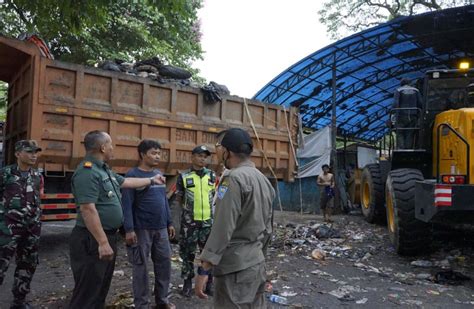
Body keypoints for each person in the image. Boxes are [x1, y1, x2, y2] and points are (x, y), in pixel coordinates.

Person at [68, 131, 166, 309]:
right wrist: (102, 242)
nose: (113, 148)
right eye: (111, 144)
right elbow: (88, 209)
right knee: (87, 291)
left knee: (99, 288)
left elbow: (126, 183)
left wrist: (151, 180)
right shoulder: (88, 171)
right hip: (92, 240)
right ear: (103, 147)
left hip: (105, 237)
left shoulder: (103, 170)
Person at [196, 128, 275, 308]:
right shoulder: (263, 179)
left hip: (235, 268)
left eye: (218, 147)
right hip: (256, 263)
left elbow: (223, 227)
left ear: (226, 151)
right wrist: (259, 256)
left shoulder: (233, 179)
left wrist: (204, 268)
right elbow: (269, 228)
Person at [121, 139, 176, 309]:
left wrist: (169, 222)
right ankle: (142, 304)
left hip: (161, 229)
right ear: (142, 154)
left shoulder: (159, 174)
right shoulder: (132, 176)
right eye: (153, 153)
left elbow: (164, 201)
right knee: (141, 269)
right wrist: (129, 230)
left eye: (159, 153)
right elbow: (127, 205)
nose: (157, 156)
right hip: (141, 229)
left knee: (164, 265)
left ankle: (162, 300)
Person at [0, 140, 43, 309]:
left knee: (28, 264)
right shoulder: (5, 173)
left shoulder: (36, 175)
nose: (34, 155)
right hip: (7, 228)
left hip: (31, 228)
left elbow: (36, 199)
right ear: (18, 154)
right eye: (30, 152)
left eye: (36, 152)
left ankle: (19, 301)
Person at [173, 145, 216, 297]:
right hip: (189, 224)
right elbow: (178, 201)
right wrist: (177, 224)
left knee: (209, 255)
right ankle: (187, 283)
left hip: (207, 224)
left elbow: (216, 198)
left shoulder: (212, 175)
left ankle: (208, 283)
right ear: (192, 157)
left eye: (205, 156)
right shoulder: (184, 177)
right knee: (187, 254)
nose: (202, 159)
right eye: (199, 156)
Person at [392, 78, 423, 149]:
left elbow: (395, 103)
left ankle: (401, 148)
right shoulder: (416, 91)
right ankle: (408, 149)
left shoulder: (398, 90)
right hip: (413, 116)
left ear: (401, 83)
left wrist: (393, 112)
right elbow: (420, 103)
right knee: (410, 133)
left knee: (399, 132)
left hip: (401, 116)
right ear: (410, 83)